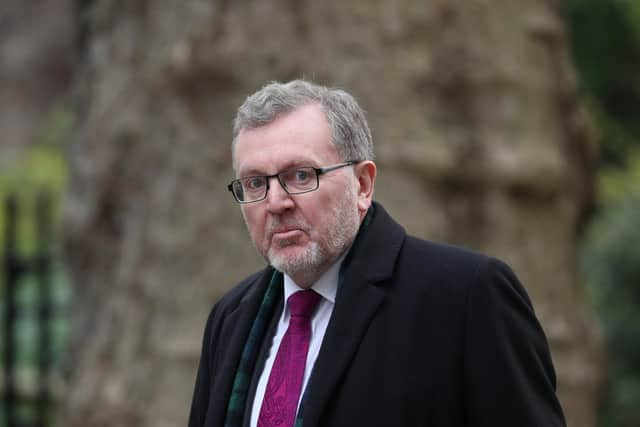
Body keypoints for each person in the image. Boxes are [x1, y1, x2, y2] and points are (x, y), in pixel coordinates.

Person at [189, 80, 566, 427]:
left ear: (363, 185)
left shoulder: (466, 297)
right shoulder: (231, 317)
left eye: (301, 175)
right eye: (255, 182)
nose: (275, 202)